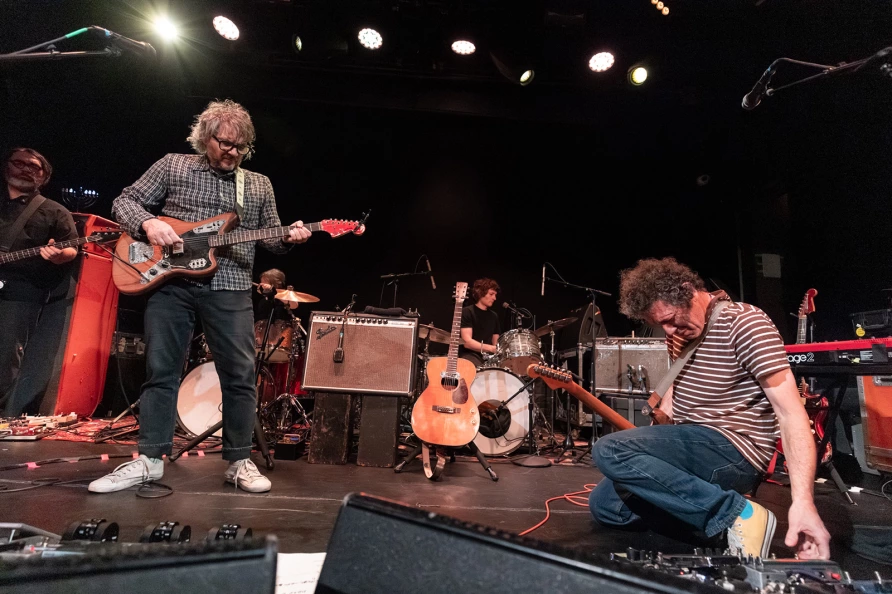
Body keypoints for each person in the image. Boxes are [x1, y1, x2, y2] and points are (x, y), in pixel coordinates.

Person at [89, 99, 311, 494]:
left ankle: (238, 461)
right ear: (205, 138)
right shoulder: (173, 165)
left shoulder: (257, 183)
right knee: (161, 372)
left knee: (240, 376)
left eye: (241, 147)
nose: (233, 152)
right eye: (225, 143)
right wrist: (149, 222)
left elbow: (272, 239)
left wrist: (291, 237)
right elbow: (124, 200)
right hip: (170, 284)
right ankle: (149, 461)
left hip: (231, 286)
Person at [588, 257, 830, 560]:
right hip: (694, 443)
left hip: (734, 448)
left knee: (609, 450)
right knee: (607, 507)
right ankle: (726, 531)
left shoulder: (745, 323)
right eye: (660, 325)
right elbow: (676, 390)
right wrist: (656, 437)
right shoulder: (682, 332)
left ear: (688, 291)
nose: (669, 331)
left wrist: (803, 503)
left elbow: (791, 414)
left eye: (670, 319)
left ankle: (736, 514)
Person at [1, 148, 78, 415]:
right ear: (7, 166)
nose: (26, 169)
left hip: (20, 292)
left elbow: (72, 249)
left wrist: (58, 256)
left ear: (44, 176)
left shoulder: (54, 211)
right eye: (19, 163)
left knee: (5, 355)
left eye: (34, 167)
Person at [458, 278, 501, 368]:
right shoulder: (467, 312)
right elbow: (467, 342)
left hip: (489, 357)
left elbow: (496, 342)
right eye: (491, 294)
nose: (494, 298)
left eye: (495, 295)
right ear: (480, 293)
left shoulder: (494, 316)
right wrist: (491, 348)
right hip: (470, 355)